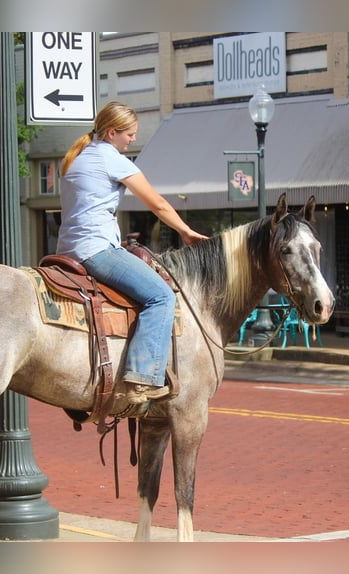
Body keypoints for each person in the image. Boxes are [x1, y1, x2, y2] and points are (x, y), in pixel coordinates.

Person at [57, 101, 207, 404]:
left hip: (67, 250)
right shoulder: (111, 159)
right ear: (112, 132)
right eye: (129, 134)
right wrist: (186, 232)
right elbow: (158, 204)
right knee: (162, 297)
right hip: (96, 249)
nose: (132, 139)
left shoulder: (76, 158)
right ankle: (141, 379)